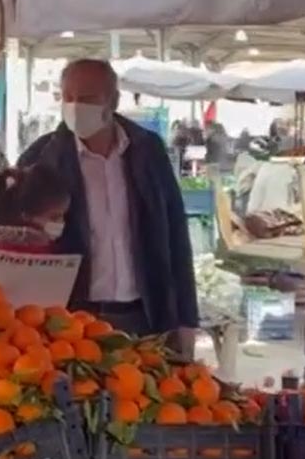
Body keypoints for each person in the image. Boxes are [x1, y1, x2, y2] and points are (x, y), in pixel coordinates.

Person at [17, 59, 198, 356]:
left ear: (113, 101)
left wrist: (186, 318)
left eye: (87, 99)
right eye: (68, 98)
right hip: (71, 321)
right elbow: (17, 238)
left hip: (145, 316)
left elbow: (176, 232)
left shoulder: (147, 151)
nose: (76, 107)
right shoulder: (42, 157)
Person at [0, 163, 71, 278]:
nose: (61, 222)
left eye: (63, 216)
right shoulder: (13, 250)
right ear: (26, 215)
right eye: (54, 217)